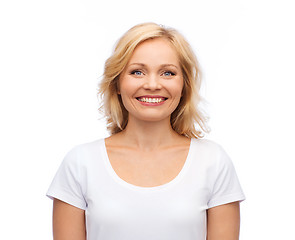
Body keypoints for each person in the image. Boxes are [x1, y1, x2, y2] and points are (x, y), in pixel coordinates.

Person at [46, 22, 246, 240]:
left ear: (184, 86)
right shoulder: (80, 163)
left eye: (168, 73)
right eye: (137, 72)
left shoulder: (213, 162)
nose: (152, 84)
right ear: (117, 84)